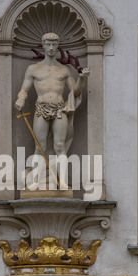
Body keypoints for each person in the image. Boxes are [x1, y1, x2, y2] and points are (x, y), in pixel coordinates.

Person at [15, 32, 89, 189]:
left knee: (60, 146)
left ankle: (61, 182)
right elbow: (24, 89)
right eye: (48, 44)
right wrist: (21, 98)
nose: (50, 48)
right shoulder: (33, 69)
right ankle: (35, 181)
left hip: (59, 109)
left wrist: (82, 78)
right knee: (39, 146)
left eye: (53, 45)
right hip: (41, 108)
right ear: (43, 45)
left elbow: (74, 92)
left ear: (57, 47)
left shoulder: (64, 70)